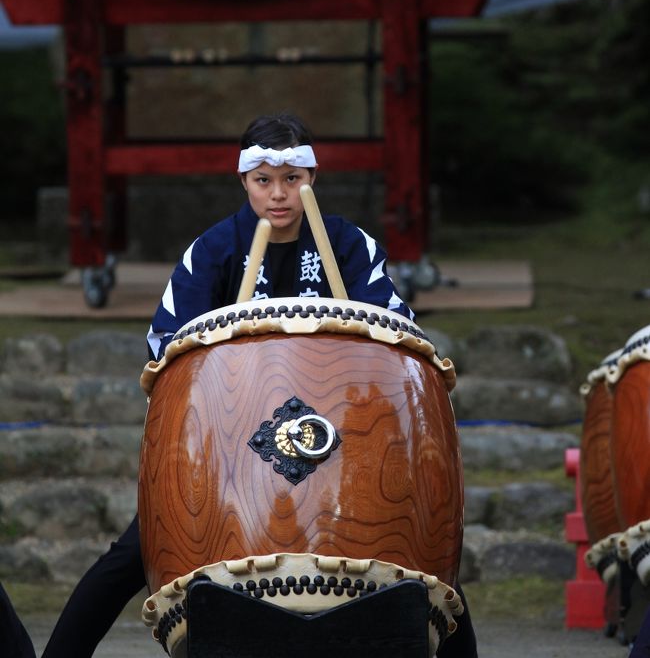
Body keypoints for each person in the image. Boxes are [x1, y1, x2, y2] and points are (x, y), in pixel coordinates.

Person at [43, 112, 476, 657]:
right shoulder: (213, 250)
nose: (278, 194)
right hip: (229, 450)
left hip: (344, 444)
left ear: (311, 178)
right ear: (244, 180)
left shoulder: (348, 244)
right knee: (132, 553)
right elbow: (168, 351)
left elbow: (396, 340)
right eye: (263, 180)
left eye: (292, 179)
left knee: (427, 561)